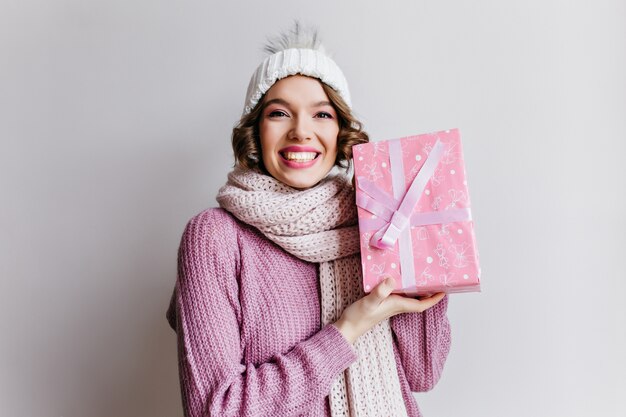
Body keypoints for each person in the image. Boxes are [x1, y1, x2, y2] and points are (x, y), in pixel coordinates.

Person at [166, 22, 451, 417]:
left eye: (322, 114)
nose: (301, 131)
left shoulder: (376, 225)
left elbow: (423, 373)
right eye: (280, 113)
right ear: (255, 131)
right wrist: (349, 328)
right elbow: (216, 410)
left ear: (341, 133)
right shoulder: (215, 238)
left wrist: (423, 257)